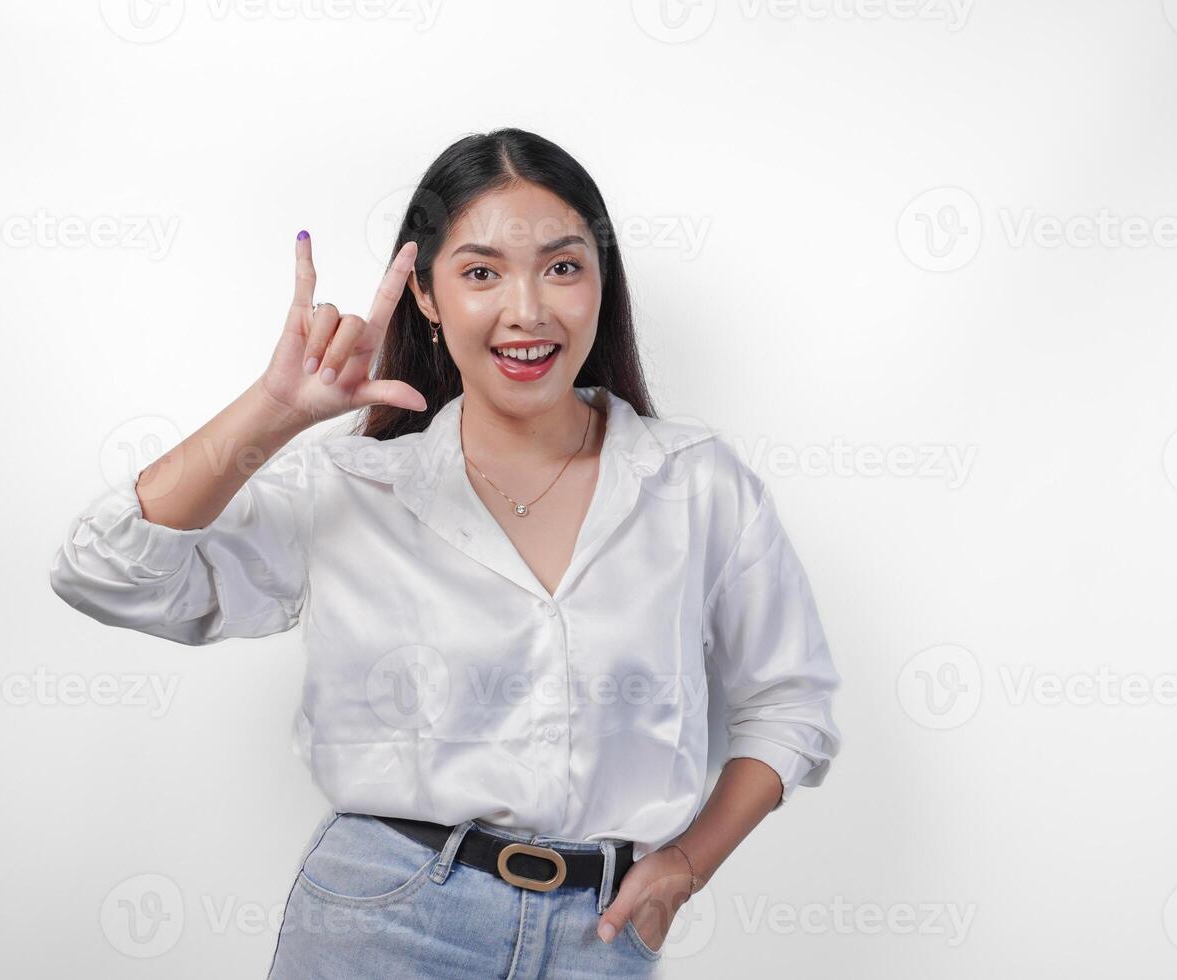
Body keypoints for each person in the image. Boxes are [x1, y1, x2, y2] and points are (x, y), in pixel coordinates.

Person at [49, 127, 842, 978]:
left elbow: (789, 702)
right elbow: (102, 570)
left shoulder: (697, 484)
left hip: (602, 937)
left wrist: (686, 868)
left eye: (563, 267)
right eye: (480, 271)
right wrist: (274, 411)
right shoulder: (352, 485)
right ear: (425, 294)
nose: (527, 310)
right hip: (384, 925)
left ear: (601, 285)